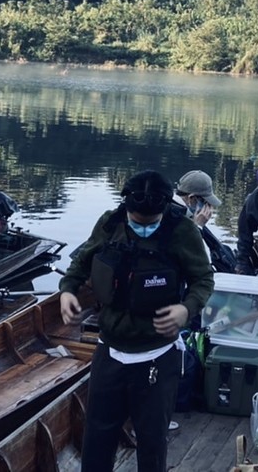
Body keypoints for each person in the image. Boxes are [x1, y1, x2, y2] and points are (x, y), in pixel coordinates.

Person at [59, 171, 214, 472]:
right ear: (126, 209)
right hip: (110, 352)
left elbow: (203, 279)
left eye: (150, 223)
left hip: (157, 355)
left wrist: (186, 309)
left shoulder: (182, 230)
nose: (143, 227)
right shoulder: (111, 223)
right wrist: (67, 290)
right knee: (97, 437)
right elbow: (80, 263)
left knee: (152, 441)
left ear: (164, 211)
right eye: (136, 222)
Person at [173, 169, 238, 274]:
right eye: (206, 203)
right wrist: (197, 227)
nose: (209, 208)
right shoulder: (174, 216)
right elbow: (187, 254)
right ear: (191, 198)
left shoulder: (185, 213)